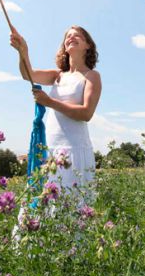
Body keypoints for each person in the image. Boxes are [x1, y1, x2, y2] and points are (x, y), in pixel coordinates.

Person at [10, 25, 102, 201]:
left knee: (69, 205)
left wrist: (49, 102)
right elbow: (27, 74)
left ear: (88, 45)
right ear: (65, 47)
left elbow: (86, 113)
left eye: (78, 36)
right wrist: (23, 51)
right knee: (43, 202)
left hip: (73, 150)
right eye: (68, 36)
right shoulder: (57, 76)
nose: (71, 37)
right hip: (49, 148)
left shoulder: (92, 76)